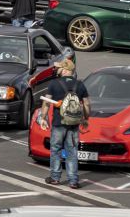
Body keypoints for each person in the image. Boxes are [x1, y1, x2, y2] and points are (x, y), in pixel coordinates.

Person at [41, 57, 89, 188]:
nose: (57, 69)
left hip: (58, 123)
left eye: (59, 67)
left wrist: (43, 117)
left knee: (55, 149)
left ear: (65, 69)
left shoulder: (54, 84)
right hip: (73, 124)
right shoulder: (80, 85)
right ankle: (73, 180)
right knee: (72, 151)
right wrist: (85, 119)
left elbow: (46, 102)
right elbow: (86, 104)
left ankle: (55, 177)